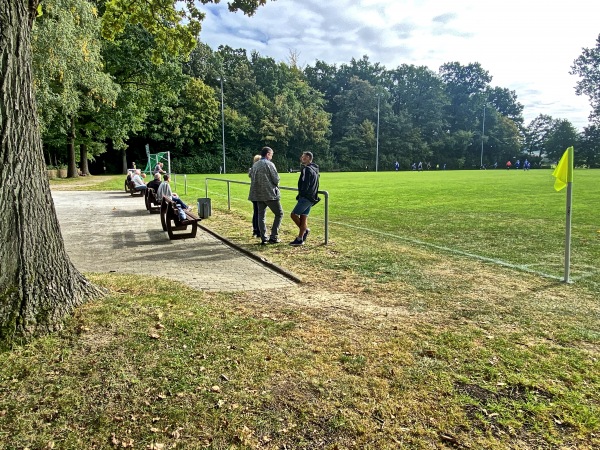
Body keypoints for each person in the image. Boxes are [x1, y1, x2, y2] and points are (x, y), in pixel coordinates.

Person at [248, 146, 284, 245]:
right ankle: (274, 236)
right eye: (271, 155)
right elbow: (276, 179)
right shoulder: (269, 164)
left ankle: (264, 238)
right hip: (269, 194)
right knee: (279, 213)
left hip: (257, 194)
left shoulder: (255, 165)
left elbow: (251, 176)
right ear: (268, 154)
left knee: (261, 216)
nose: (272, 157)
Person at [289, 151, 320, 246]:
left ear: (307, 157)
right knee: (303, 217)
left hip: (306, 197)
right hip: (312, 198)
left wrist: (301, 195)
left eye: (303, 157)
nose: (301, 158)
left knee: (293, 215)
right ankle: (300, 239)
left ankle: (305, 231)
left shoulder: (306, 169)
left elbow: (305, 185)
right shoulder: (315, 169)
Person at [248, 154, 261, 238]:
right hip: (259, 194)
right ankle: (258, 230)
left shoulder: (252, 169)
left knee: (256, 212)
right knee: (259, 213)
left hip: (253, 193)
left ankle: (255, 230)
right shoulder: (257, 169)